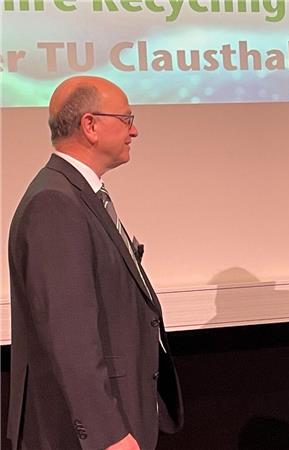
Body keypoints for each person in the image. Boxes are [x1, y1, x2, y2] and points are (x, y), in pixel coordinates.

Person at [6, 76, 183, 449]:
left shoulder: (77, 194)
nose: (134, 131)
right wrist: (108, 434)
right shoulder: (55, 204)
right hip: (87, 434)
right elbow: (69, 334)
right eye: (126, 119)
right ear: (90, 125)